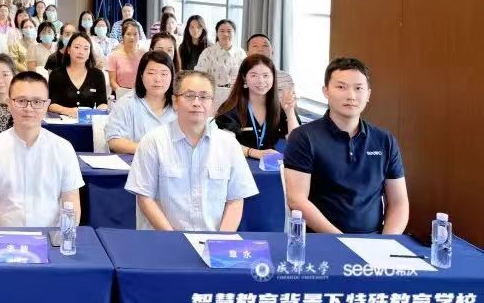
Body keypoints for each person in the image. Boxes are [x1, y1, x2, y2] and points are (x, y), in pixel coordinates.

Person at [284, 58, 408, 234]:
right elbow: (297, 200)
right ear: (326, 92)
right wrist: (342, 241)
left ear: (368, 94)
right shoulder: (304, 137)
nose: (351, 96)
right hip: (322, 240)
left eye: (358, 88)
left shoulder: (384, 140)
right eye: (341, 87)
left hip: (374, 240)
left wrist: (387, 242)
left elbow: (399, 202)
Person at [126, 70, 258, 231]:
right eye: (189, 96)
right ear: (175, 101)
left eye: (204, 97)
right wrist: (174, 238)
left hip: (213, 240)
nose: (196, 102)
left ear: (213, 104)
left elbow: (235, 200)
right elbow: (145, 198)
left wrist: (221, 240)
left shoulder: (229, 144)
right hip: (165, 238)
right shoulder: (153, 141)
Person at [0, 71, 84, 227]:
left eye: (37, 102)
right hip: (3, 236)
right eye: (21, 101)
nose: (29, 108)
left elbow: (71, 205)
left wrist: (61, 238)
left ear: (47, 105)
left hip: (50, 237)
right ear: (9, 104)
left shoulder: (63, 149)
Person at [215, 54, 300, 160]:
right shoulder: (231, 108)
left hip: (269, 164)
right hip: (237, 162)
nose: (261, 81)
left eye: (266, 75)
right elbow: (224, 143)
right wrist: (253, 152)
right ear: (244, 78)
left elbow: (297, 143)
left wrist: (290, 112)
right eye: (254, 75)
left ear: (273, 77)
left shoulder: (280, 107)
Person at [106, 50, 176, 155]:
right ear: (141, 75)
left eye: (164, 74)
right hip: (135, 162)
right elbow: (113, 141)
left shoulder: (180, 105)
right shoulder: (126, 103)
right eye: (151, 73)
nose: (158, 79)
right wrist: (150, 151)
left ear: (172, 77)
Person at [47, 32, 108, 118]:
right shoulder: (56, 74)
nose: (81, 52)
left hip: (88, 122)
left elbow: (103, 103)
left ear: (89, 53)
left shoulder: (98, 75)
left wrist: (95, 114)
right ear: (68, 50)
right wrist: (68, 111)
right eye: (77, 47)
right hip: (62, 122)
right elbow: (51, 105)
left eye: (86, 48)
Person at [195, 19, 247, 109]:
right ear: (217, 33)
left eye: (229, 31)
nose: (226, 34)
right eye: (222, 31)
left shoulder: (241, 53)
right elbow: (200, 76)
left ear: (234, 33)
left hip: (236, 95)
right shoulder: (208, 53)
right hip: (212, 95)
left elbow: (246, 76)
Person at [107, 20, 146, 97]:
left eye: (135, 34)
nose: (132, 37)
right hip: (121, 94)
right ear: (123, 36)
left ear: (139, 36)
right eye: (128, 34)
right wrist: (123, 93)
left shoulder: (144, 54)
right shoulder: (114, 55)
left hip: (141, 94)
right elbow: (112, 82)